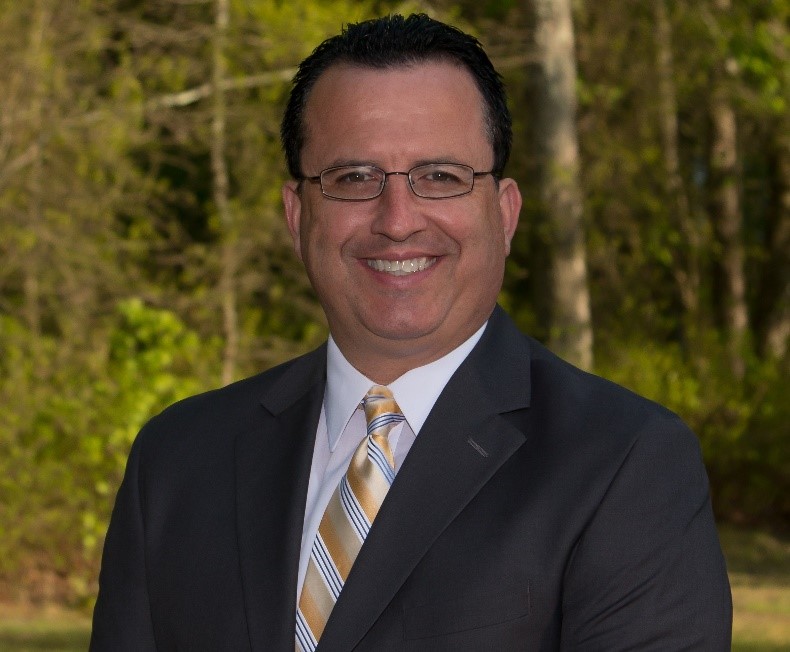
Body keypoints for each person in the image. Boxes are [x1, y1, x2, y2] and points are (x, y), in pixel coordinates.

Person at [90, 13, 732, 651]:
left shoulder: (624, 462)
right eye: (353, 179)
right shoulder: (176, 462)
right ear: (297, 215)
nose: (397, 220)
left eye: (441, 178)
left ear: (505, 212)